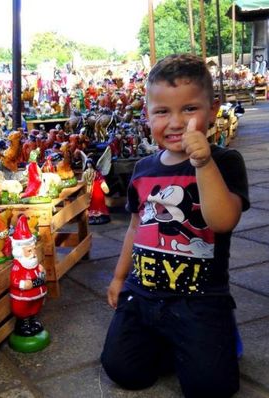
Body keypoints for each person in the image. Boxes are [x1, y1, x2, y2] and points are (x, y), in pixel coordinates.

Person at [100, 54, 249, 398]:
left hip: (199, 300)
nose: (176, 122)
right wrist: (120, 277)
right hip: (143, 295)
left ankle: (211, 341)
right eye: (162, 112)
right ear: (147, 115)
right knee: (124, 370)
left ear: (212, 110)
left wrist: (203, 162)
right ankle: (177, 344)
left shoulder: (225, 162)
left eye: (189, 109)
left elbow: (223, 220)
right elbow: (135, 227)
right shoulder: (143, 169)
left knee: (210, 389)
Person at [8, 214, 49, 352]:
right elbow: (14, 280)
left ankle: (32, 321)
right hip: (23, 296)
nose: (32, 253)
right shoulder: (18, 266)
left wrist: (42, 272)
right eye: (29, 251)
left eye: (33, 250)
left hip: (36, 292)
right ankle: (23, 325)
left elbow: (39, 271)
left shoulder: (34, 263)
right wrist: (23, 284)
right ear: (20, 251)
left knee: (34, 308)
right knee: (23, 310)